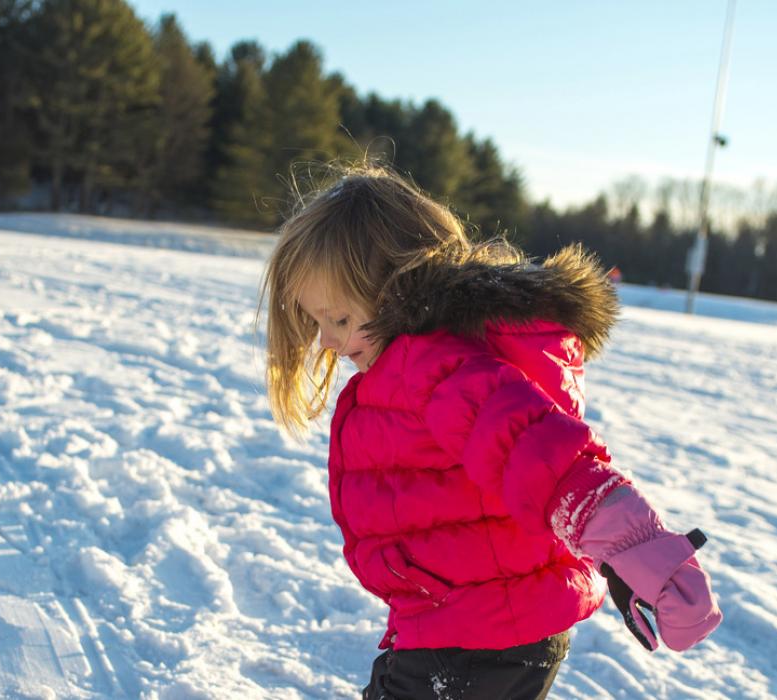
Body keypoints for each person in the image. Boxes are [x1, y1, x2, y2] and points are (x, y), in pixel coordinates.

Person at [261, 165, 722, 700]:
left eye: (339, 319)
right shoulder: (420, 368)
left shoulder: (439, 372)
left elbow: (551, 463)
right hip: (472, 629)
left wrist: (643, 555)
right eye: (318, 322)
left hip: (481, 641)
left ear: (396, 288)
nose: (327, 341)